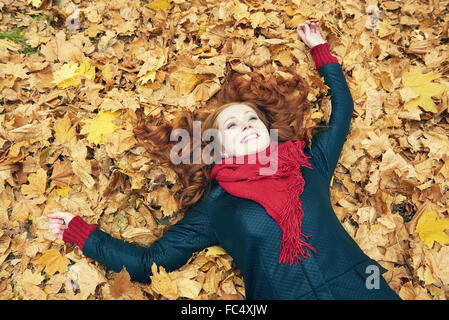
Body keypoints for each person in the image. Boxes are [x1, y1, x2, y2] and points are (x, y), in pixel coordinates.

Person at [49, 21, 401, 300]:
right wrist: (82, 234)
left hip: (360, 289)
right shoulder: (216, 207)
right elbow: (150, 263)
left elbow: (343, 112)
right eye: (232, 124)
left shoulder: (309, 164)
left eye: (252, 120)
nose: (246, 126)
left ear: (267, 130)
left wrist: (321, 52)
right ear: (220, 146)